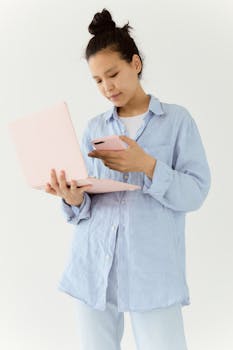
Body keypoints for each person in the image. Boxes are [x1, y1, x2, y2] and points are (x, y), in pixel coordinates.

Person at [45, 8, 211, 350]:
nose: (107, 87)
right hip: (93, 265)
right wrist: (73, 198)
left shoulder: (177, 121)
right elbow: (86, 201)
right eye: (98, 81)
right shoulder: (95, 128)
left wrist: (147, 165)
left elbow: (195, 193)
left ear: (135, 64)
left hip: (152, 269)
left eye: (113, 74)